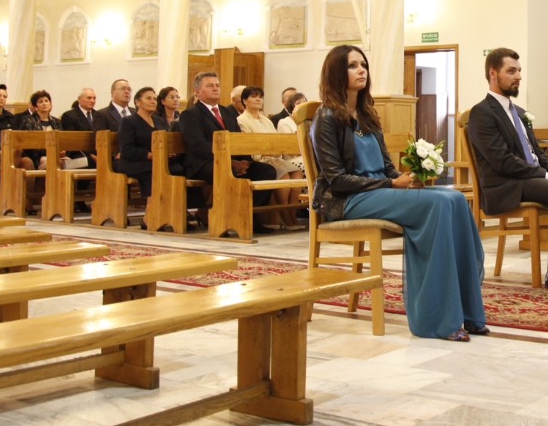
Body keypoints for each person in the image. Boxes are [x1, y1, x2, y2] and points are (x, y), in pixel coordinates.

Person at [309, 44, 488, 342]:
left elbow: (388, 169)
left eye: (363, 64)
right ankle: (437, 320)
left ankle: (468, 312)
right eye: (352, 65)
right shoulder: (326, 117)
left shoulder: (368, 115)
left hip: (378, 193)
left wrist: (408, 179)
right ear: (336, 72)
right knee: (435, 206)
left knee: (455, 198)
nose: (361, 70)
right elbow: (337, 179)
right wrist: (391, 185)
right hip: (347, 201)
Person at [465, 47, 548, 293]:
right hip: (506, 185)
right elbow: (501, 161)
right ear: (493, 73)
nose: (518, 76)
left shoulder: (518, 113)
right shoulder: (482, 113)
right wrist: (546, 176)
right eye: (511, 71)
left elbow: (536, 153)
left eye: (519, 71)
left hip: (532, 178)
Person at [179, 71, 277, 226]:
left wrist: (244, 160)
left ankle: (250, 218)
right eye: (210, 86)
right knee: (226, 171)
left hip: (231, 161)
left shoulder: (227, 112)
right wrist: (230, 162)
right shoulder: (190, 114)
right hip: (204, 163)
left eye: (217, 85)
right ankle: (228, 218)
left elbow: (238, 138)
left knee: (266, 171)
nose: (215, 88)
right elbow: (197, 145)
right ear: (198, 91)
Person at [237, 85, 306, 229]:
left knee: (297, 173)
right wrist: (268, 151)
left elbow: (276, 141)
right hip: (260, 159)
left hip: (275, 157)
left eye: (260, 97)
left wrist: (276, 151)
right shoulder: (241, 120)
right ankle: (285, 217)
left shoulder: (266, 120)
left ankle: (292, 214)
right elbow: (249, 145)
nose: (258, 99)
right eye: (253, 96)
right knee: (285, 177)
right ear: (244, 100)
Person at [113, 88, 163, 223]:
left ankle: (176, 211)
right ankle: (150, 214)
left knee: (178, 169)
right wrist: (151, 155)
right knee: (155, 171)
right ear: (137, 102)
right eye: (148, 98)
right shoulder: (129, 122)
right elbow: (127, 150)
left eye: (154, 99)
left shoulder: (160, 121)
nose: (153, 101)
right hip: (133, 162)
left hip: (157, 160)